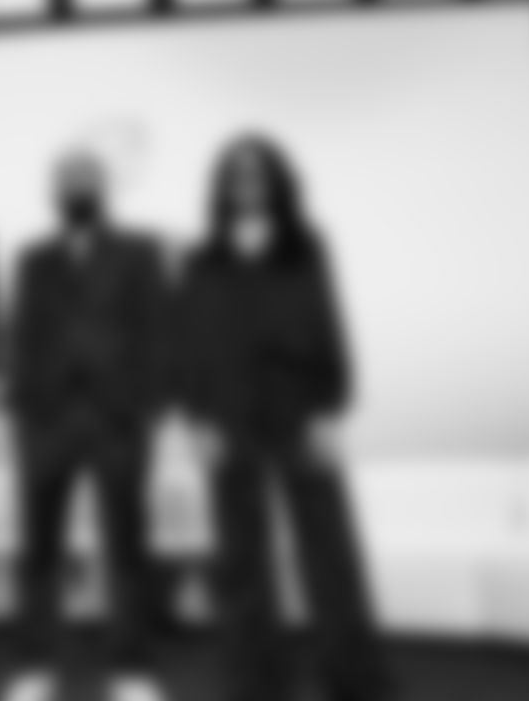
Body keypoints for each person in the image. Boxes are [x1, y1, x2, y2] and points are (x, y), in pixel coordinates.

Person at [168, 132, 399, 701]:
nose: (246, 181)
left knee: (330, 553)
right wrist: (196, 419)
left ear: (275, 180)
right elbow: (184, 344)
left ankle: (354, 680)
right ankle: (257, 683)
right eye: (235, 172)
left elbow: (330, 325)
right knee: (241, 558)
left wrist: (329, 409)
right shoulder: (199, 259)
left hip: (300, 408)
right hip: (227, 416)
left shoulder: (308, 248)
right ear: (222, 185)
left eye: (257, 171)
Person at [1, 150, 171, 701]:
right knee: (38, 550)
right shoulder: (32, 258)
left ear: (104, 188)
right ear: (55, 192)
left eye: (87, 179)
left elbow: (157, 328)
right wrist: (21, 409)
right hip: (45, 422)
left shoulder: (141, 251)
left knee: (127, 548)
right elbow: (18, 334)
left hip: (118, 420)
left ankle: (132, 671)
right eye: (67, 180)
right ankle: (33, 667)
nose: (77, 188)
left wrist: (147, 406)